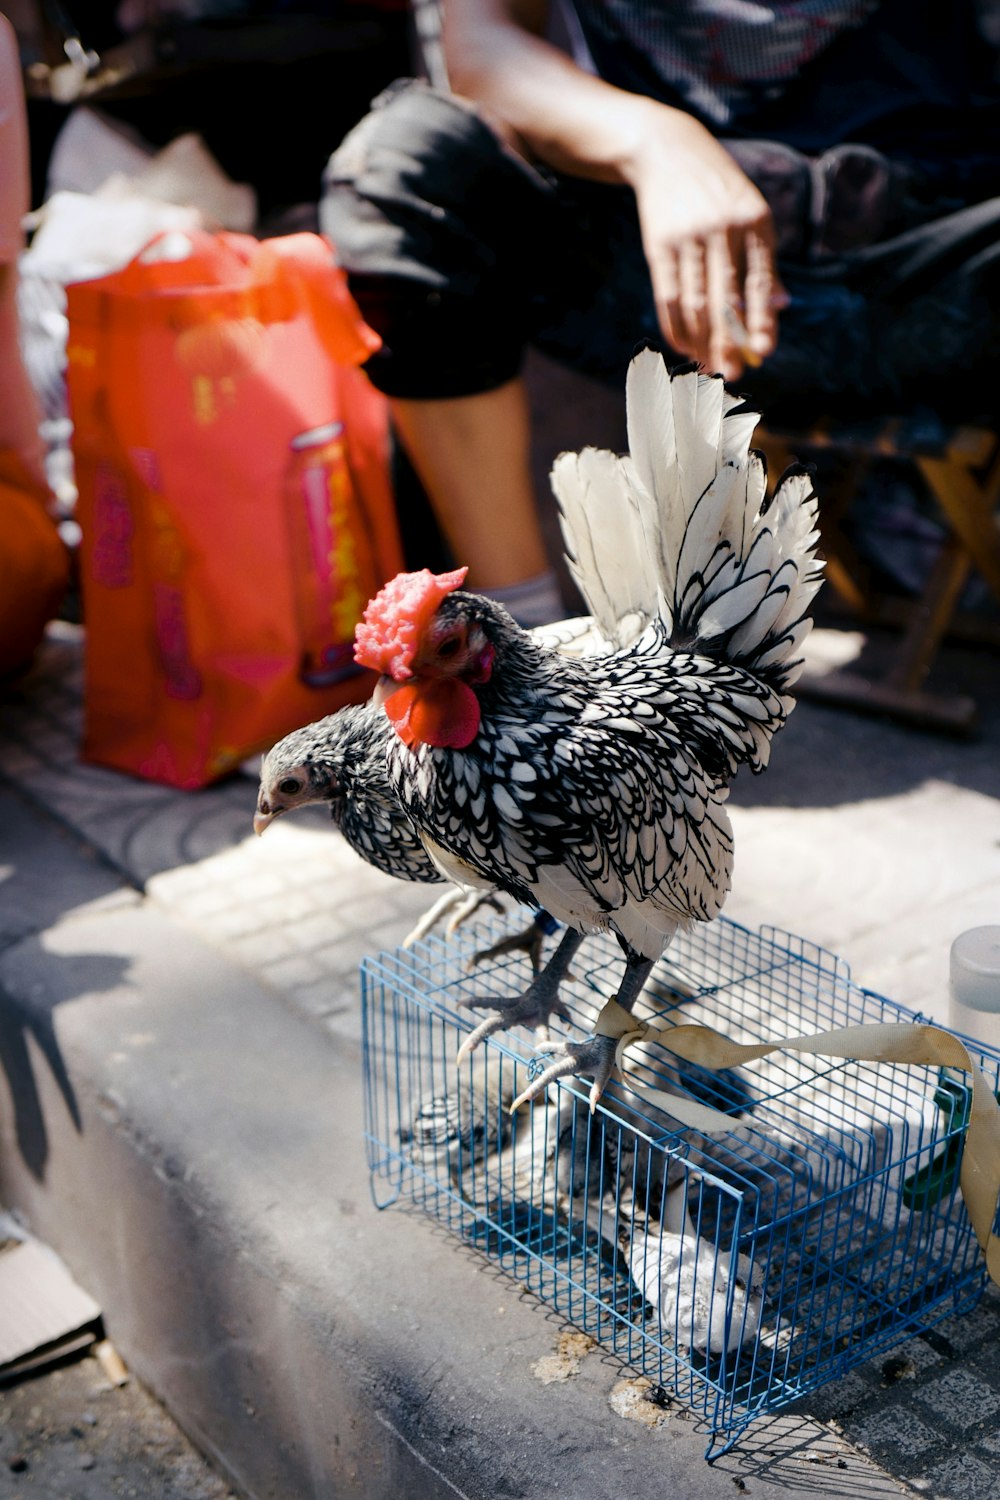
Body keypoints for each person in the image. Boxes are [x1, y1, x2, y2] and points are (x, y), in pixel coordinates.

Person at [321, 0, 1000, 620]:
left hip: (941, 261)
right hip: (658, 273)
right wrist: (657, 144)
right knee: (408, 160)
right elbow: (482, 45)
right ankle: (519, 654)